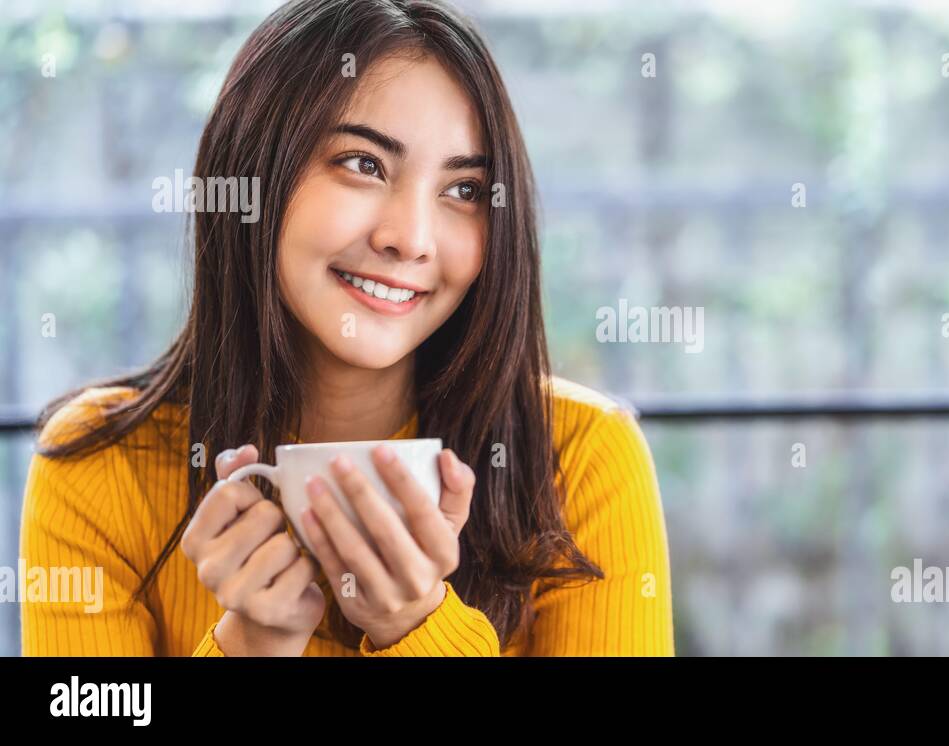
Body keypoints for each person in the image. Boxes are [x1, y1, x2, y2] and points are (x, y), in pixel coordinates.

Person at [20, 0, 672, 657]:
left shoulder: (581, 460)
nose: (410, 240)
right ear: (252, 173)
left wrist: (421, 627)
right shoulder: (102, 467)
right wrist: (250, 644)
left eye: (465, 189)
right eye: (364, 164)